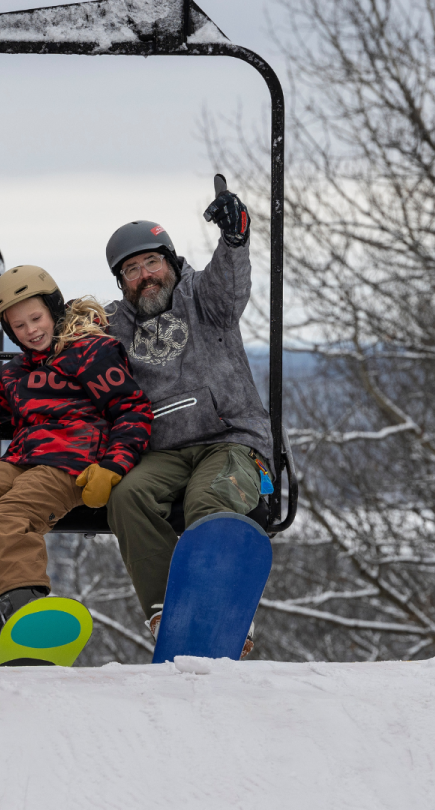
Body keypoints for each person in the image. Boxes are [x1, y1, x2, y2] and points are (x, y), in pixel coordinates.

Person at [0, 265, 153, 666]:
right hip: (25, 458)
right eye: (19, 325)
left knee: (9, 514)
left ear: (54, 310)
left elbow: (131, 410)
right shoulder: (18, 374)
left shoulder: (93, 352)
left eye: (36, 318)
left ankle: (27, 617)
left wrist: (113, 465)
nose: (30, 330)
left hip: (73, 462)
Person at [102, 177, 272, 653]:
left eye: (152, 261)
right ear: (121, 281)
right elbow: (70, 340)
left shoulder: (205, 299)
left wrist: (234, 238)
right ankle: (166, 610)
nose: (145, 275)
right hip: (163, 450)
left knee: (208, 500)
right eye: (132, 270)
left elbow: (230, 281)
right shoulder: (116, 323)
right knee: (127, 496)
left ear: (171, 262)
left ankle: (226, 608)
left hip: (229, 439)